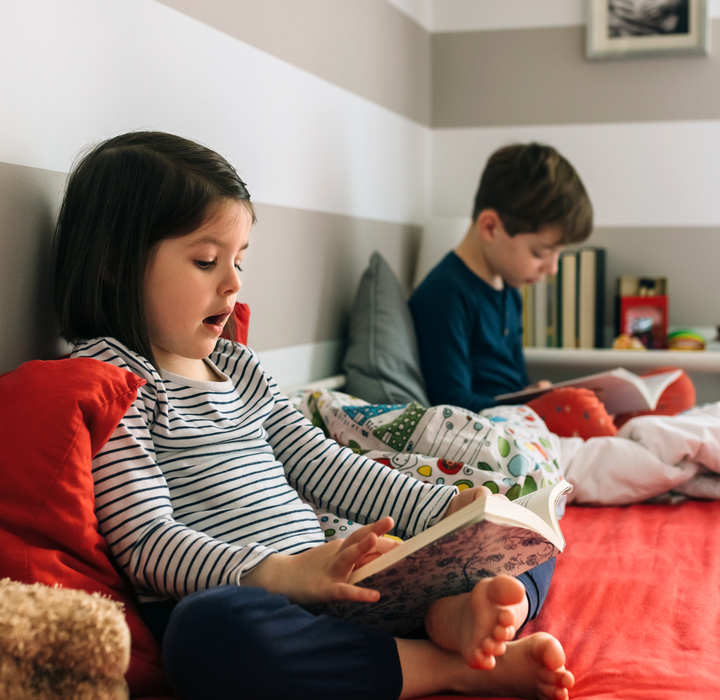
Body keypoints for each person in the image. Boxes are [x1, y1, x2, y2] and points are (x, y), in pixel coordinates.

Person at [51, 131, 573, 700]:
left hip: (347, 582)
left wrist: (446, 510)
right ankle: (448, 662)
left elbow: (325, 465)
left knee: (527, 537)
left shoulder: (238, 367)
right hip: (258, 600)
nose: (234, 283)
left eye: (239, 261)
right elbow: (147, 542)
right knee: (207, 637)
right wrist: (284, 576)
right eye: (206, 261)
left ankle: (466, 614)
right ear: (112, 262)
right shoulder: (111, 384)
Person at [409, 143, 593, 413]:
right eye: (541, 252)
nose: (552, 268)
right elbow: (451, 403)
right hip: (487, 434)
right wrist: (533, 405)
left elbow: (513, 382)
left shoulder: (509, 290)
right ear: (490, 227)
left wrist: (533, 394)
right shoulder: (445, 294)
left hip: (517, 424)